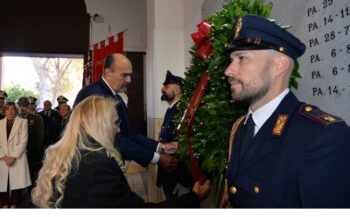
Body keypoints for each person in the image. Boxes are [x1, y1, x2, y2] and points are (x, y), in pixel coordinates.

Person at [221, 14, 350, 208]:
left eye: (242, 58)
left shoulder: (323, 136)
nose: (228, 70)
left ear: (279, 66)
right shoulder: (241, 127)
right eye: (232, 59)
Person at [31, 96, 210, 208]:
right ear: (99, 126)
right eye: (116, 123)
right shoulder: (99, 167)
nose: (118, 131)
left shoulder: (64, 154)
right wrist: (193, 198)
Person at [73, 53, 177, 169]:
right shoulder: (94, 96)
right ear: (108, 74)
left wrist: (160, 147)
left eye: (130, 75)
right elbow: (114, 139)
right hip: (94, 167)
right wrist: (156, 158)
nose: (129, 80)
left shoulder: (115, 96)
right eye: (124, 75)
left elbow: (130, 133)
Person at [156, 71, 193, 199]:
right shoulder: (172, 109)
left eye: (166, 87)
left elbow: (183, 144)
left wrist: (180, 181)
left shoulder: (182, 110)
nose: (162, 89)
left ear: (177, 90)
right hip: (169, 174)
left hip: (177, 177)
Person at [0, 102, 31, 208]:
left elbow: (24, 141)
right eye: (7, 109)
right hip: (2, 158)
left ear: (17, 110)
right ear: (4, 111)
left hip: (17, 156)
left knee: (16, 182)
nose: (10, 111)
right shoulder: (0, 123)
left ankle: (14, 204)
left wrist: (13, 157)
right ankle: (4, 204)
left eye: (13, 109)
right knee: (2, 181)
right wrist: (3, 156)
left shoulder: (23, 122)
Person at [17, 97, 44, 194]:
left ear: (28, 106)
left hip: (31, 152)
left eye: (24, 106)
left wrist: (37, 151)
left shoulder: (36, 118)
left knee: (30, 175)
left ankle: (31, 195)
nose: (22, 108)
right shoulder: (15, 118)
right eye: (20, 106)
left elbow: (40, 136)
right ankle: (18, 196)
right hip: (17, 152)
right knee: (17, 175)